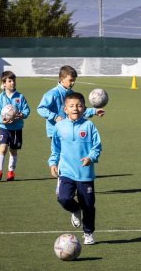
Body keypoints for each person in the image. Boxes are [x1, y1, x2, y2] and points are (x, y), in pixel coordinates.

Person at [37, 65, 105, 194]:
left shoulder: (70, 94)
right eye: (70, 80)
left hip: (72, 129)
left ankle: (73, 182)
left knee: (71, 155)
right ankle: (62, 183)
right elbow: (41, 108)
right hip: (58, 130)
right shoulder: (53, 93)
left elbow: (79, 109)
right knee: (63, 155)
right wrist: (55, 117)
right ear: (62, 79)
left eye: (74, 80)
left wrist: (94, 111)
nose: (73, 83)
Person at [48, 92, 102, 245]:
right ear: (65, 109)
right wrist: (53, 163)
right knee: (63, 199)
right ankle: (74, 209)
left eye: (79, 106)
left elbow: (97, 146)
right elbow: (55, 149)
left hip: (85, 174)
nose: (75, 109)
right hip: (66, 171)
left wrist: (90, 157)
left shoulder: (89, 125)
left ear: (84, 108)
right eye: (71, 106)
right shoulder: (59, 126)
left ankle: (88, 232)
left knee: (89, 206)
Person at [0, 71, 30, 181]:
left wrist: (22, 116)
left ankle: (11, 172)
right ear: (4, 83)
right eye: (9, 81)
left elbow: (26, 110)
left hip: (16, 128)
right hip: (4, 128)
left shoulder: (20, 97)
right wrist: (2, 120)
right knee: (3, 148)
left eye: (13, 80)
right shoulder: (0, 98)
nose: (12, 83)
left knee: (13, 151)